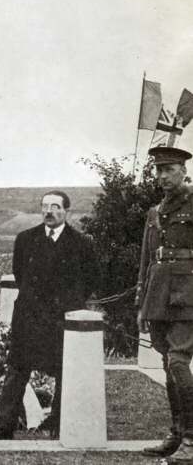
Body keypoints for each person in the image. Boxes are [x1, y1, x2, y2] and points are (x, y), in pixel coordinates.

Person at [0, 190, 100, 439]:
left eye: (55, 206)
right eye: (45, 206)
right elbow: (20, 273)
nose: (49, 211)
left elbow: (90, 278)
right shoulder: (26, 239)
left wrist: (67, 303)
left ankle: (59, 424)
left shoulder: (80, 243)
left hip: (61, 318)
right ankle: (4, 427)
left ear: (66, 211)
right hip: (29, 315)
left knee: (63, 370)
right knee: (17, 369)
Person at [136, 146, 193, 462]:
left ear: (184, 170)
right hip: (158, 295)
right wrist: (141, 305)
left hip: (188, 294)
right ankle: (176, 432)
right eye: (158, 170)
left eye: (169, 169)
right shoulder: (154, 213)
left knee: (177, 360)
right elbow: (146, 260)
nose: (162, 176)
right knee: (166, 364)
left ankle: (192, 437)